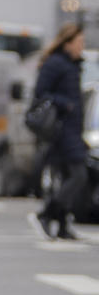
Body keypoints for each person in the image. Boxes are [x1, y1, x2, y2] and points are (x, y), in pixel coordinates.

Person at [32, 20, 88, 242]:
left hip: (73, 128)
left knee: (66, 175)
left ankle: (63, 225)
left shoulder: (73, 65)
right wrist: (66, 104)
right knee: (78, 175)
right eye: (79, 42)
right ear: (67, 43)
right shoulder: (55, 64)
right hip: (61, 129)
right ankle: (46, 214)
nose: (81, 46)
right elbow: (41, 93)